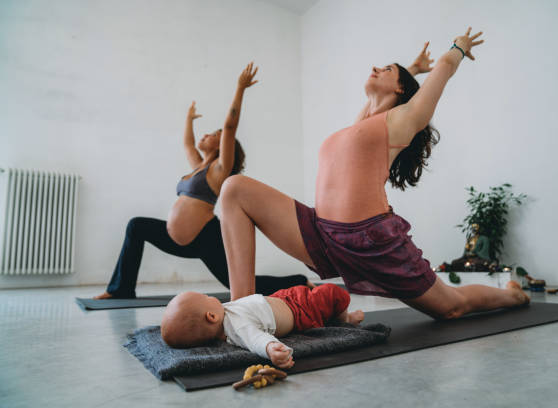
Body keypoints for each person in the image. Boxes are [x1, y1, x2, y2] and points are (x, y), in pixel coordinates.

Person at [218, 28, 530, 319]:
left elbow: (445, 67)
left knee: (451, 307)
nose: (376, 68)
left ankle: (513, 296)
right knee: (234, 189)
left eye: (386, 70)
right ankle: (241, 314)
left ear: (400, 88)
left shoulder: (404, 119)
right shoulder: (360, 125)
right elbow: (379, 104)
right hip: (323, 233)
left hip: (373, 241)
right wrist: (411, 69)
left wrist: (458, 47)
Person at [94, 63, 311, 299]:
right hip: (176, 237)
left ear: (221, 145)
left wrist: (240, 88)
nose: (206, 135)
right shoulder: (198, 166)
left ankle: (298, 282)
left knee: (239, 284)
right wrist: (188, 119)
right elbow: (188, 144)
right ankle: (121, 289)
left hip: (205, 237)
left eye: (213, 134)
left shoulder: (219, 170)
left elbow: (229, 127)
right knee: (136, 226)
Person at [161, 283, 364, 368]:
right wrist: (271, 348)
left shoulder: (223, 315)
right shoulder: (237, 327)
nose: (211, 296)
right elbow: (255, 339)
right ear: (211, 316)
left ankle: (333, 315)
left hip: (282, 300)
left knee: (312, 293)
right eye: (206, 297)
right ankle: (344, 320)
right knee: (332, 293)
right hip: (300, 311)